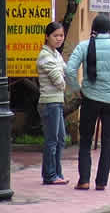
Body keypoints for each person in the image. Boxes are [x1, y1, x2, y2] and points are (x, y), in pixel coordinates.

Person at [65, 14, 110, 190]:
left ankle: (84, 180)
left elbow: (70, 71)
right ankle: (102, 182)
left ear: (93, 29)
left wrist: (77, 89)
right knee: (107, 141)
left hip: (89, 98)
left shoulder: (84, 45)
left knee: (86, 140)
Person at [37, 22, 68, 185]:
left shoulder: (56, 54)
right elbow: (60, 83)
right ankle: (49, 175)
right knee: (52, 140)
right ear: (47, 36)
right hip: (49, 103)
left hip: (57, 102)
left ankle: (57, 173)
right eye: (55, 35)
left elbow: (67, 72)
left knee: (61, 139)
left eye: (61, 35)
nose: (59, 39)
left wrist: (63, 75)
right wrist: (63, 76)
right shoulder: (45, 56)